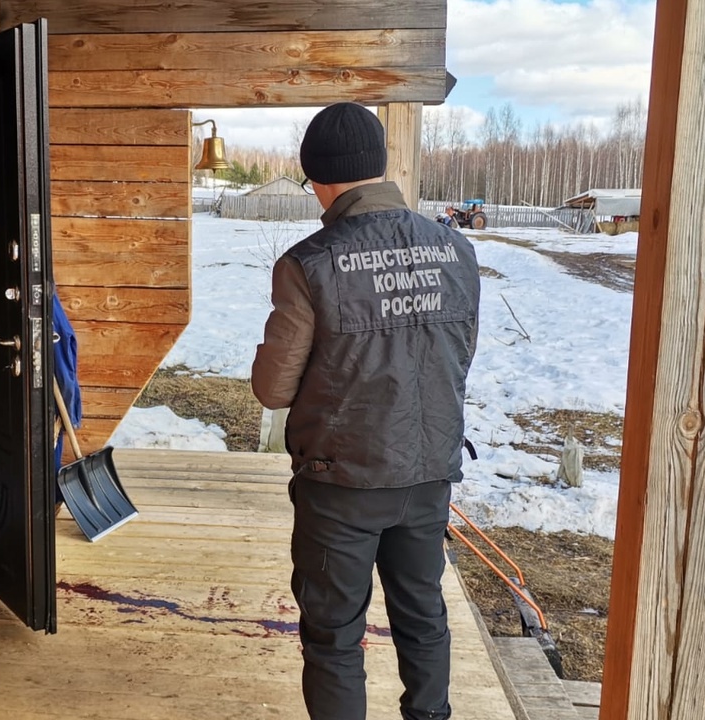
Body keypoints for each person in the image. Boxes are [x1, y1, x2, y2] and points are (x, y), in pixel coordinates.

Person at [251, 102, 480, 720]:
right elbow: (456, 357)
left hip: (342, 481)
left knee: (334, 635)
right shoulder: (456, 250)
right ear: (380, 169)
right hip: (430, 473)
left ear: (320, 178)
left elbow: (273, 389)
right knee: (423, 613)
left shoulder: (310, 262)